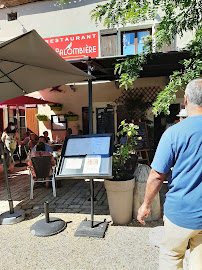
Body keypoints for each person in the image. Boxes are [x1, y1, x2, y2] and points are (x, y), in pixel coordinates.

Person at [137, 78, 202, 270]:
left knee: (171, 258)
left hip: (181, 213)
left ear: (187, 101)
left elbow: (157, 175)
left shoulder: (174, 133)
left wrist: (145, 204)